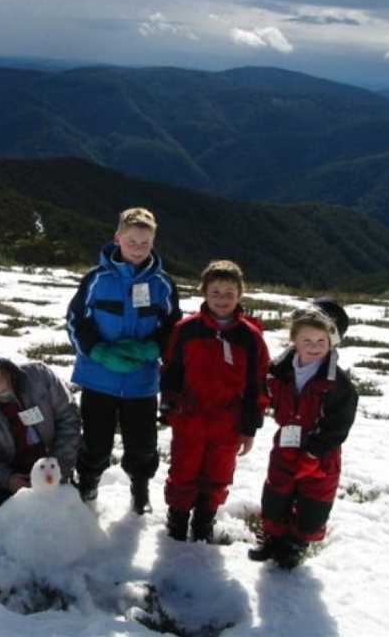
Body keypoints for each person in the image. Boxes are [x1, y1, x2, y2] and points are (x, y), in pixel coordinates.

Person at [66, 207, 181, 514]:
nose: (138, 248)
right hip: (98, 377)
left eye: (145, 243)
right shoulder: (95, 279)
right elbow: (76, 322)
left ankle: (140, 489)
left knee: (142, 445)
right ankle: (88, 484)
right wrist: (98, 351)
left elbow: (174, 328)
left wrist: (152, 349)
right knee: (95, 442)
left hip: (141, 382)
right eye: (132, 241)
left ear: (153, 242)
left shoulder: (163, 284)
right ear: (117, 238)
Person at [161, 260, 270, 542]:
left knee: (218, 474)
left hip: (228, 422)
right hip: (190, 416)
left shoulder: (250, 337)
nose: (222, 299)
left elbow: (257, 384)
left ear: (240, 295)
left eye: (229, 293)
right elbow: (171, 370)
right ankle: (177, 521)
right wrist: (169, 405)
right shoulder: (186, 330)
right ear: (204, 293)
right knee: (183, 471)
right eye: (216, 292)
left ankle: (203, 522)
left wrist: (250, 426)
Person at [248, 299, 358, 568]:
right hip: (286, 442)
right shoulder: (278, 370)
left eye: (321, 341)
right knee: (277, 490)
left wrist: (315, 452)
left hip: (321, 453)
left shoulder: (338, 384)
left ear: (332, 342)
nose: (313, 347)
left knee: (314, 498)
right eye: (306, 340)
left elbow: (338, 424)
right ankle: (272, 538)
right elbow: (263, 394)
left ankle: (296, 543)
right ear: (294, 339)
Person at [0, 352, 81, 516]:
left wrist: (59, 467)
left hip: (56, 471)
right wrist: (8, 480)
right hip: (17, 485)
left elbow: (69, 417)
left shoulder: (39, 375)